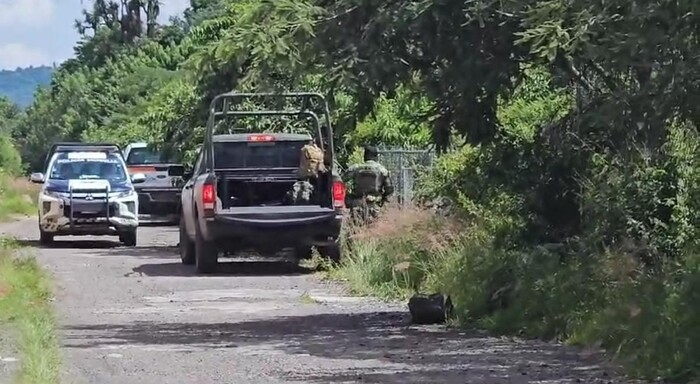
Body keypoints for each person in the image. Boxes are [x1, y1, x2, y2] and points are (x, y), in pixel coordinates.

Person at [343, 145, 394, 223]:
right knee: (374, 229)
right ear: (376, 156)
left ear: (365, 156)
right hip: (374, 205)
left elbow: (341, 181)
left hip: (357, 204)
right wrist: (383, 200)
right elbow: (389, 188)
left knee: (356, 229)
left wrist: (347, 195)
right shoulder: (382, 170)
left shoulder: (355, 168)